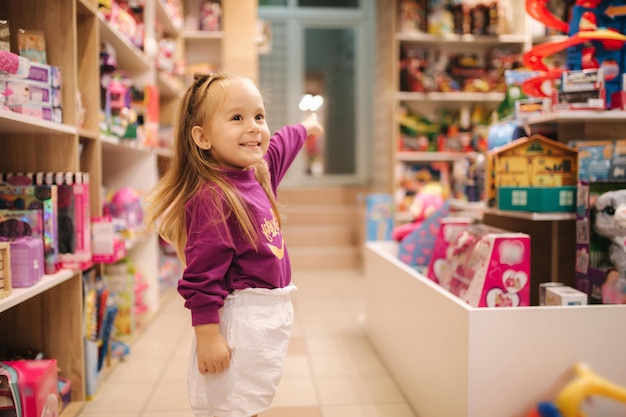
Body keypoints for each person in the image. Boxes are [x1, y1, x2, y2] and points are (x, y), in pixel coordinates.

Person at [144, 71, 324, 417]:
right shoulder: (214, 197)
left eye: (259, 115)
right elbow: (201, 276)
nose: (254, 126)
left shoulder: (256, 174)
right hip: (241, 322)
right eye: (237, 118)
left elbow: (282, 143)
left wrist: (307, 126)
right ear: (203, 137)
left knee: (249, 400)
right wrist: (207, 335)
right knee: (230, 405)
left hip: (266, 320)